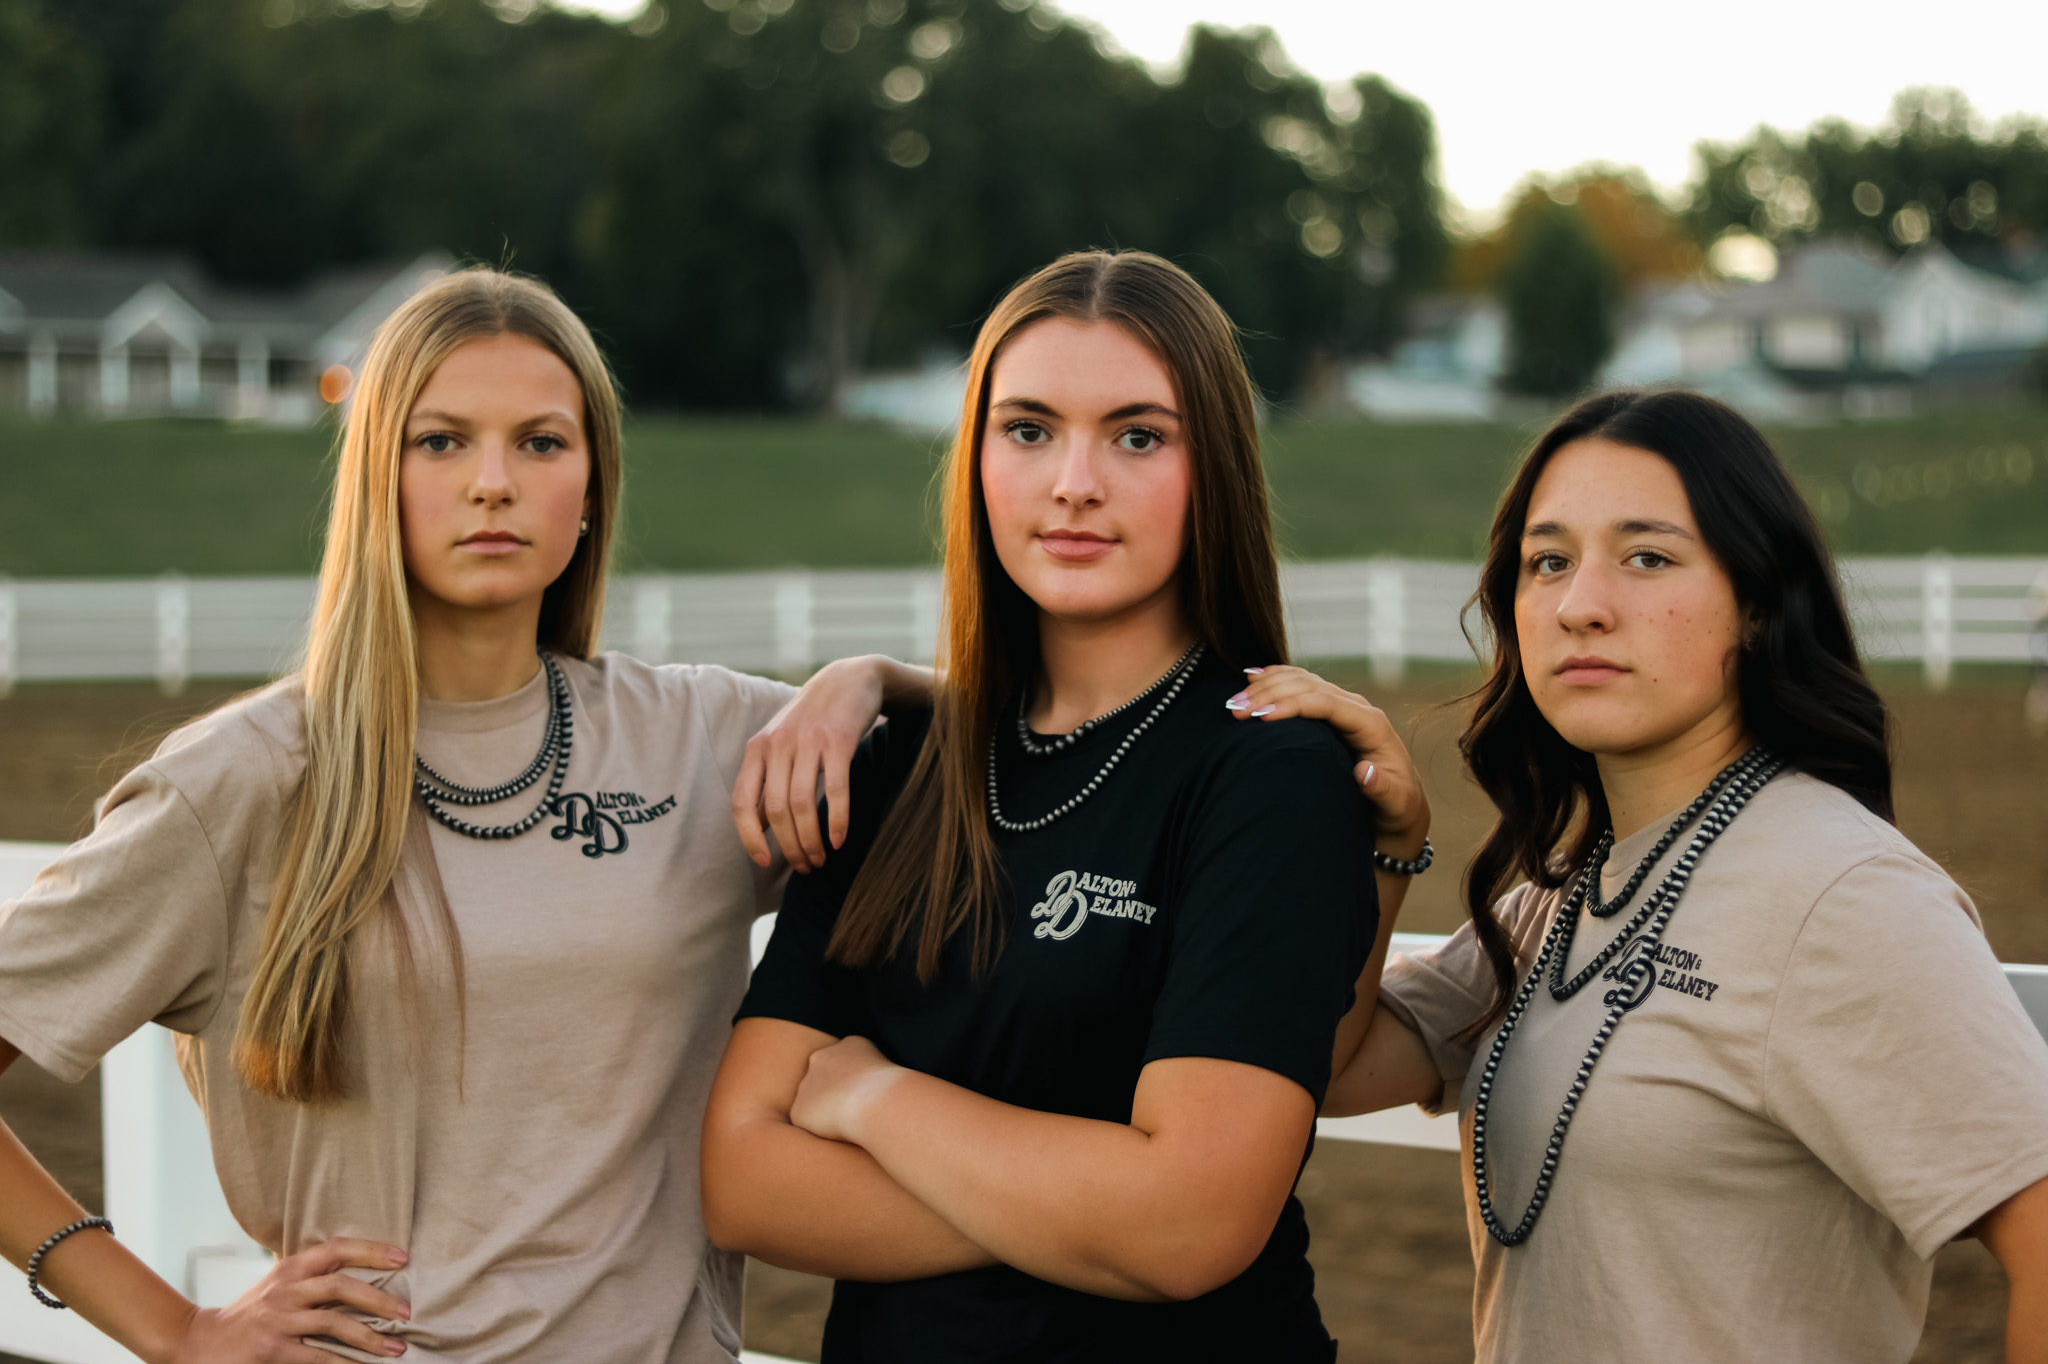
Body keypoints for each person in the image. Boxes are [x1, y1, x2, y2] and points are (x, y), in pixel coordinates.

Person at [0, 267, 929, 1363]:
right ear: (375, 477)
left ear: (590, 488)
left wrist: (872, 679)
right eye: (440, 442)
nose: (493, 482)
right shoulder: (242, 781)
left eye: (540, 442)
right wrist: (177, 1328)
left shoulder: (701, 741)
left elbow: (1050, 739)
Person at [700, 250, 1428, 1362]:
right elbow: (742, 1180)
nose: (1072, 482)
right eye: (1028, 430)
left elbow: (1189, 1228)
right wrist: (1091, 1206)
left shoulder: (1271, 774)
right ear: (977, 461)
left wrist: (876, 1103)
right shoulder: (896, 768)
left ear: (1213, 469)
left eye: (1137, 435)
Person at [1238, 389, 2048, 1363]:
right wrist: (1385, 847)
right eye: (1547, 562)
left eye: (1646, 557)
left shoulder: (1841, 893)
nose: (1579, 604)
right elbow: (1318, 1067)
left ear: (1753, 602)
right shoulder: (1565, 894)